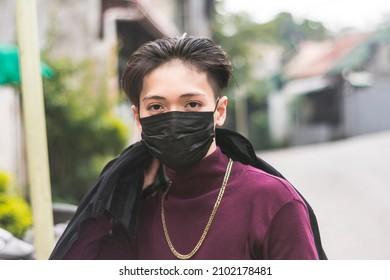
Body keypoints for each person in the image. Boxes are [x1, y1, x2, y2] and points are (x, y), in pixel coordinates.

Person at [49, 34, 327, 260]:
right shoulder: (134, 209)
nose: (173, 118)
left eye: (192, 104)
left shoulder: (272, 201)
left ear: (219, 111)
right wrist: (112, 198)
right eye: (156, 107)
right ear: (138, 118)